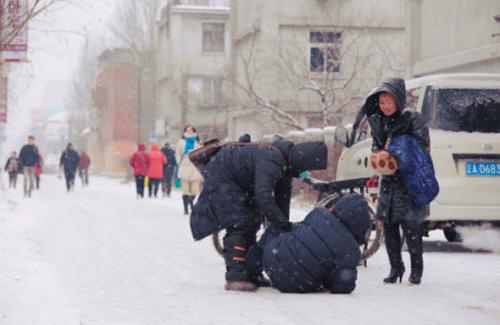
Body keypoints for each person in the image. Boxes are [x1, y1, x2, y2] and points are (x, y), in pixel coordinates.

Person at [190, 139, 328, 292]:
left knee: (253, 221)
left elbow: (282, 201)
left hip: (240, 181)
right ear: (303, 160)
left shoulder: (285, 163)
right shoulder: (272, 159)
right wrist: (282, 224)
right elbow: (264, 197)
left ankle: (251, 273)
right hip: (224, 176)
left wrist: (284, 226)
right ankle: (235, 277)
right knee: (239, 222)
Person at [361, 77, 430, 285]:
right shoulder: (379, 122)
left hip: (410, 182)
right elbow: (375, 146)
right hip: (389, 182)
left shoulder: (412, 119)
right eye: (382, 103)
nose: (385, 107)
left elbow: (421, 146)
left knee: (411, 228)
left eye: (389, 102)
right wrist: (379, 155)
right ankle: (395, 268)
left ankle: (416, 270)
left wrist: (397, 153)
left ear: (398, 100)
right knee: (389, 227)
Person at [246, 194, 371, 294]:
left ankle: (251, 268)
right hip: (298, 285)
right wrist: (327, 279)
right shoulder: (351, 251)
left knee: (276, 228)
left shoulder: (318, 213)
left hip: (271, 261)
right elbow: (343, 286)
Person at [176, 125, 203, 214]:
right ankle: (185, 208)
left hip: (195, 168)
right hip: (184, 166)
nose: (189, 132)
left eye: (191, 130)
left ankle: (191, 202)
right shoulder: (181, 142)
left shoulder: (198, 142)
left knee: (195, 189)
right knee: (185, 189)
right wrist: (179, 162)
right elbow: (178, 154)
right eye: (187, 130)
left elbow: (202, 153)